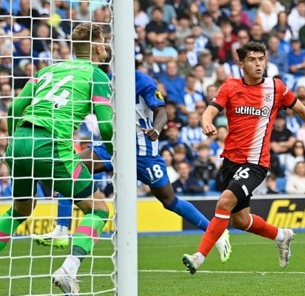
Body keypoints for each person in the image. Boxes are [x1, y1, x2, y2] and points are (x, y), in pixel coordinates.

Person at [33, 71, 232, 264]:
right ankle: (61, 228)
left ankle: (215, 231)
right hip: (112, 146)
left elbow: (161, 111)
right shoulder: (102, 81)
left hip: (142, 152)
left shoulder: (142, 81)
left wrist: (157, 129)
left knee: (169, 200)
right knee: (69, 169)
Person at [181, 41, 305, 274]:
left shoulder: (276, 88)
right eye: (253, 60)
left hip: (256, 162)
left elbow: (304, 111)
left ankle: (198, 257)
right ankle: (282, 236)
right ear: (241, 63)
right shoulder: (230, 86)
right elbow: (212, 109)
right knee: (240, 221)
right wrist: (206, 121)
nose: (258, 64)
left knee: (224, 201)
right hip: (230, 161)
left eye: (261, 59)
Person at [1, 23, 114, 294]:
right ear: (98, 47)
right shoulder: (96, 74)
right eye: (105, 42)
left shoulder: (46, 70)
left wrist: (17, 140)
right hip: (52, 145)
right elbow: (106, 125)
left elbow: (16, 106)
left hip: (19, 142)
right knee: (98, 209)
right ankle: (68, 270)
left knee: (22, 210)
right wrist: (116, 147)